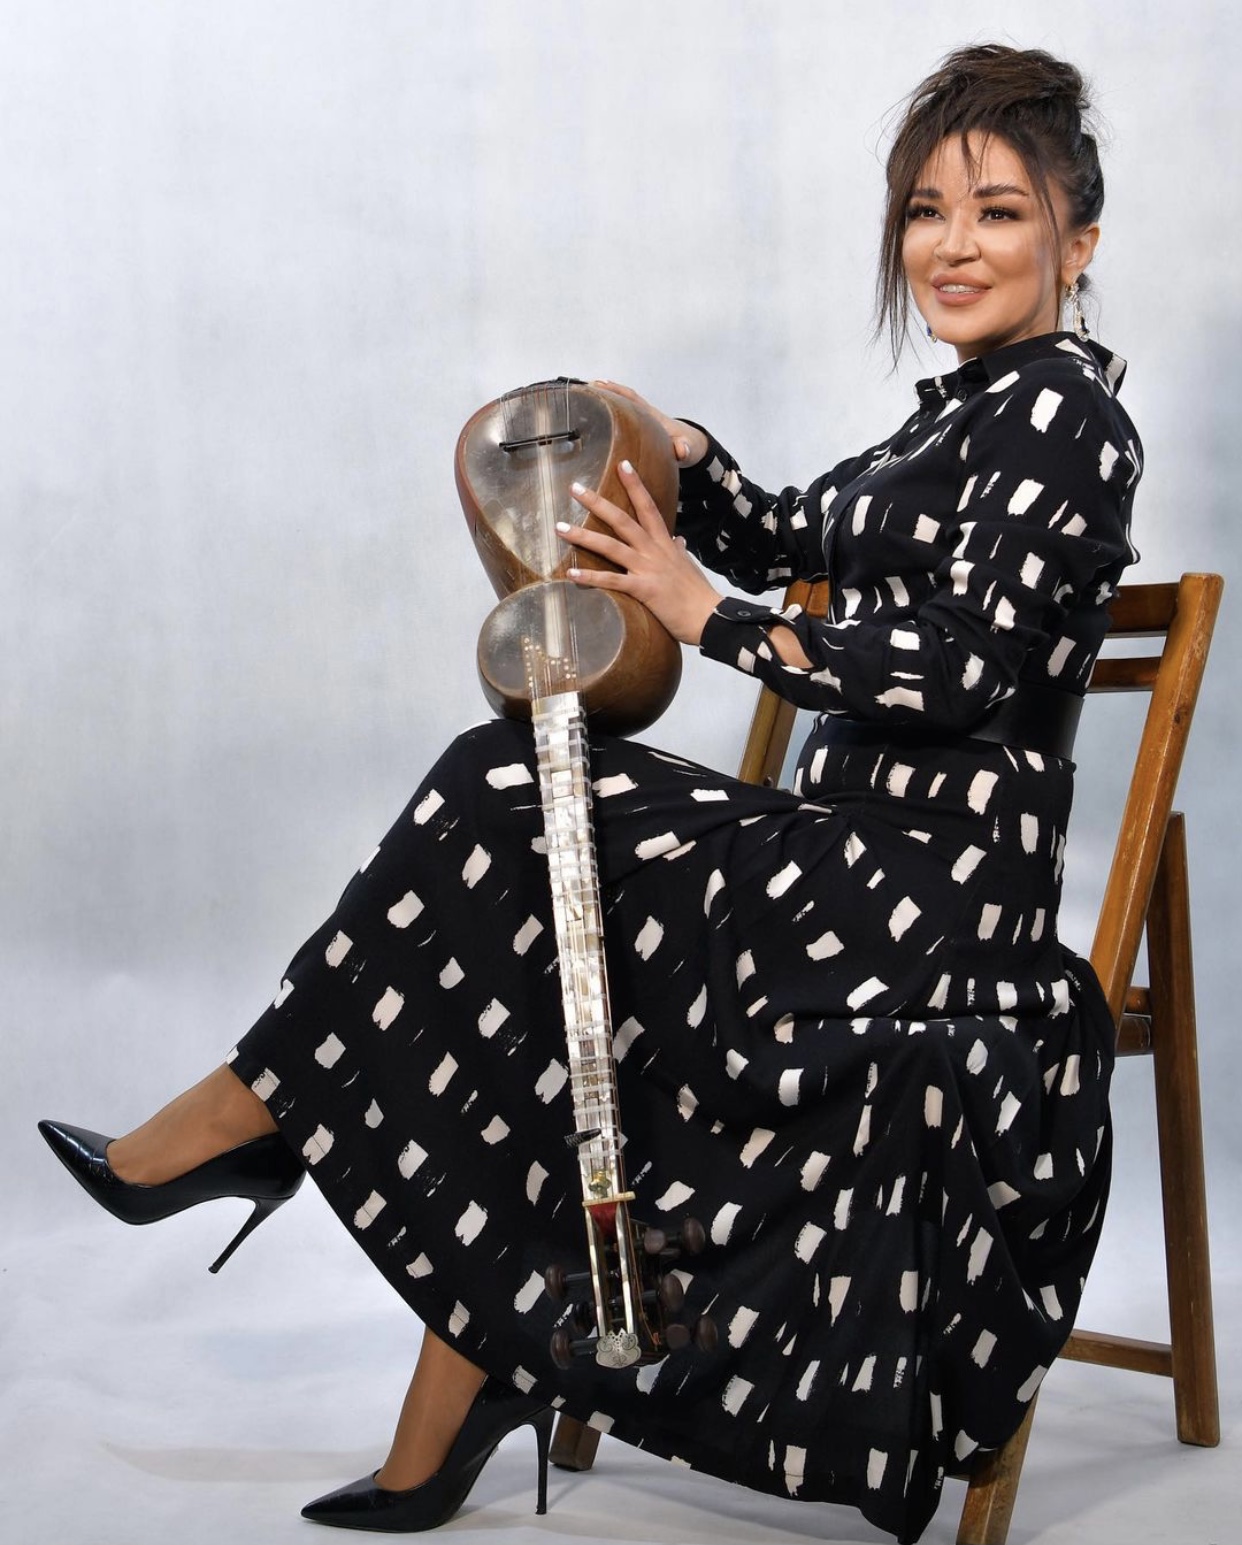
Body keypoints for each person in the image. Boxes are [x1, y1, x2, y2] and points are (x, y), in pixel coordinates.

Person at [39, 42, 1141, 1545]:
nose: (950, 245)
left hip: (929, 894)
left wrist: (708, 616)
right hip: (842, 858)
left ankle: (271, 1117)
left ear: (1079, 242)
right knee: (529, 843)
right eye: (924, 211)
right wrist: (676, 455)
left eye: (998, 212)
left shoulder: (1068, 419)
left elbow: (963, 667)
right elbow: (794, 530)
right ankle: (398, 1286)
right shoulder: (956, 414)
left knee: (508, 790)